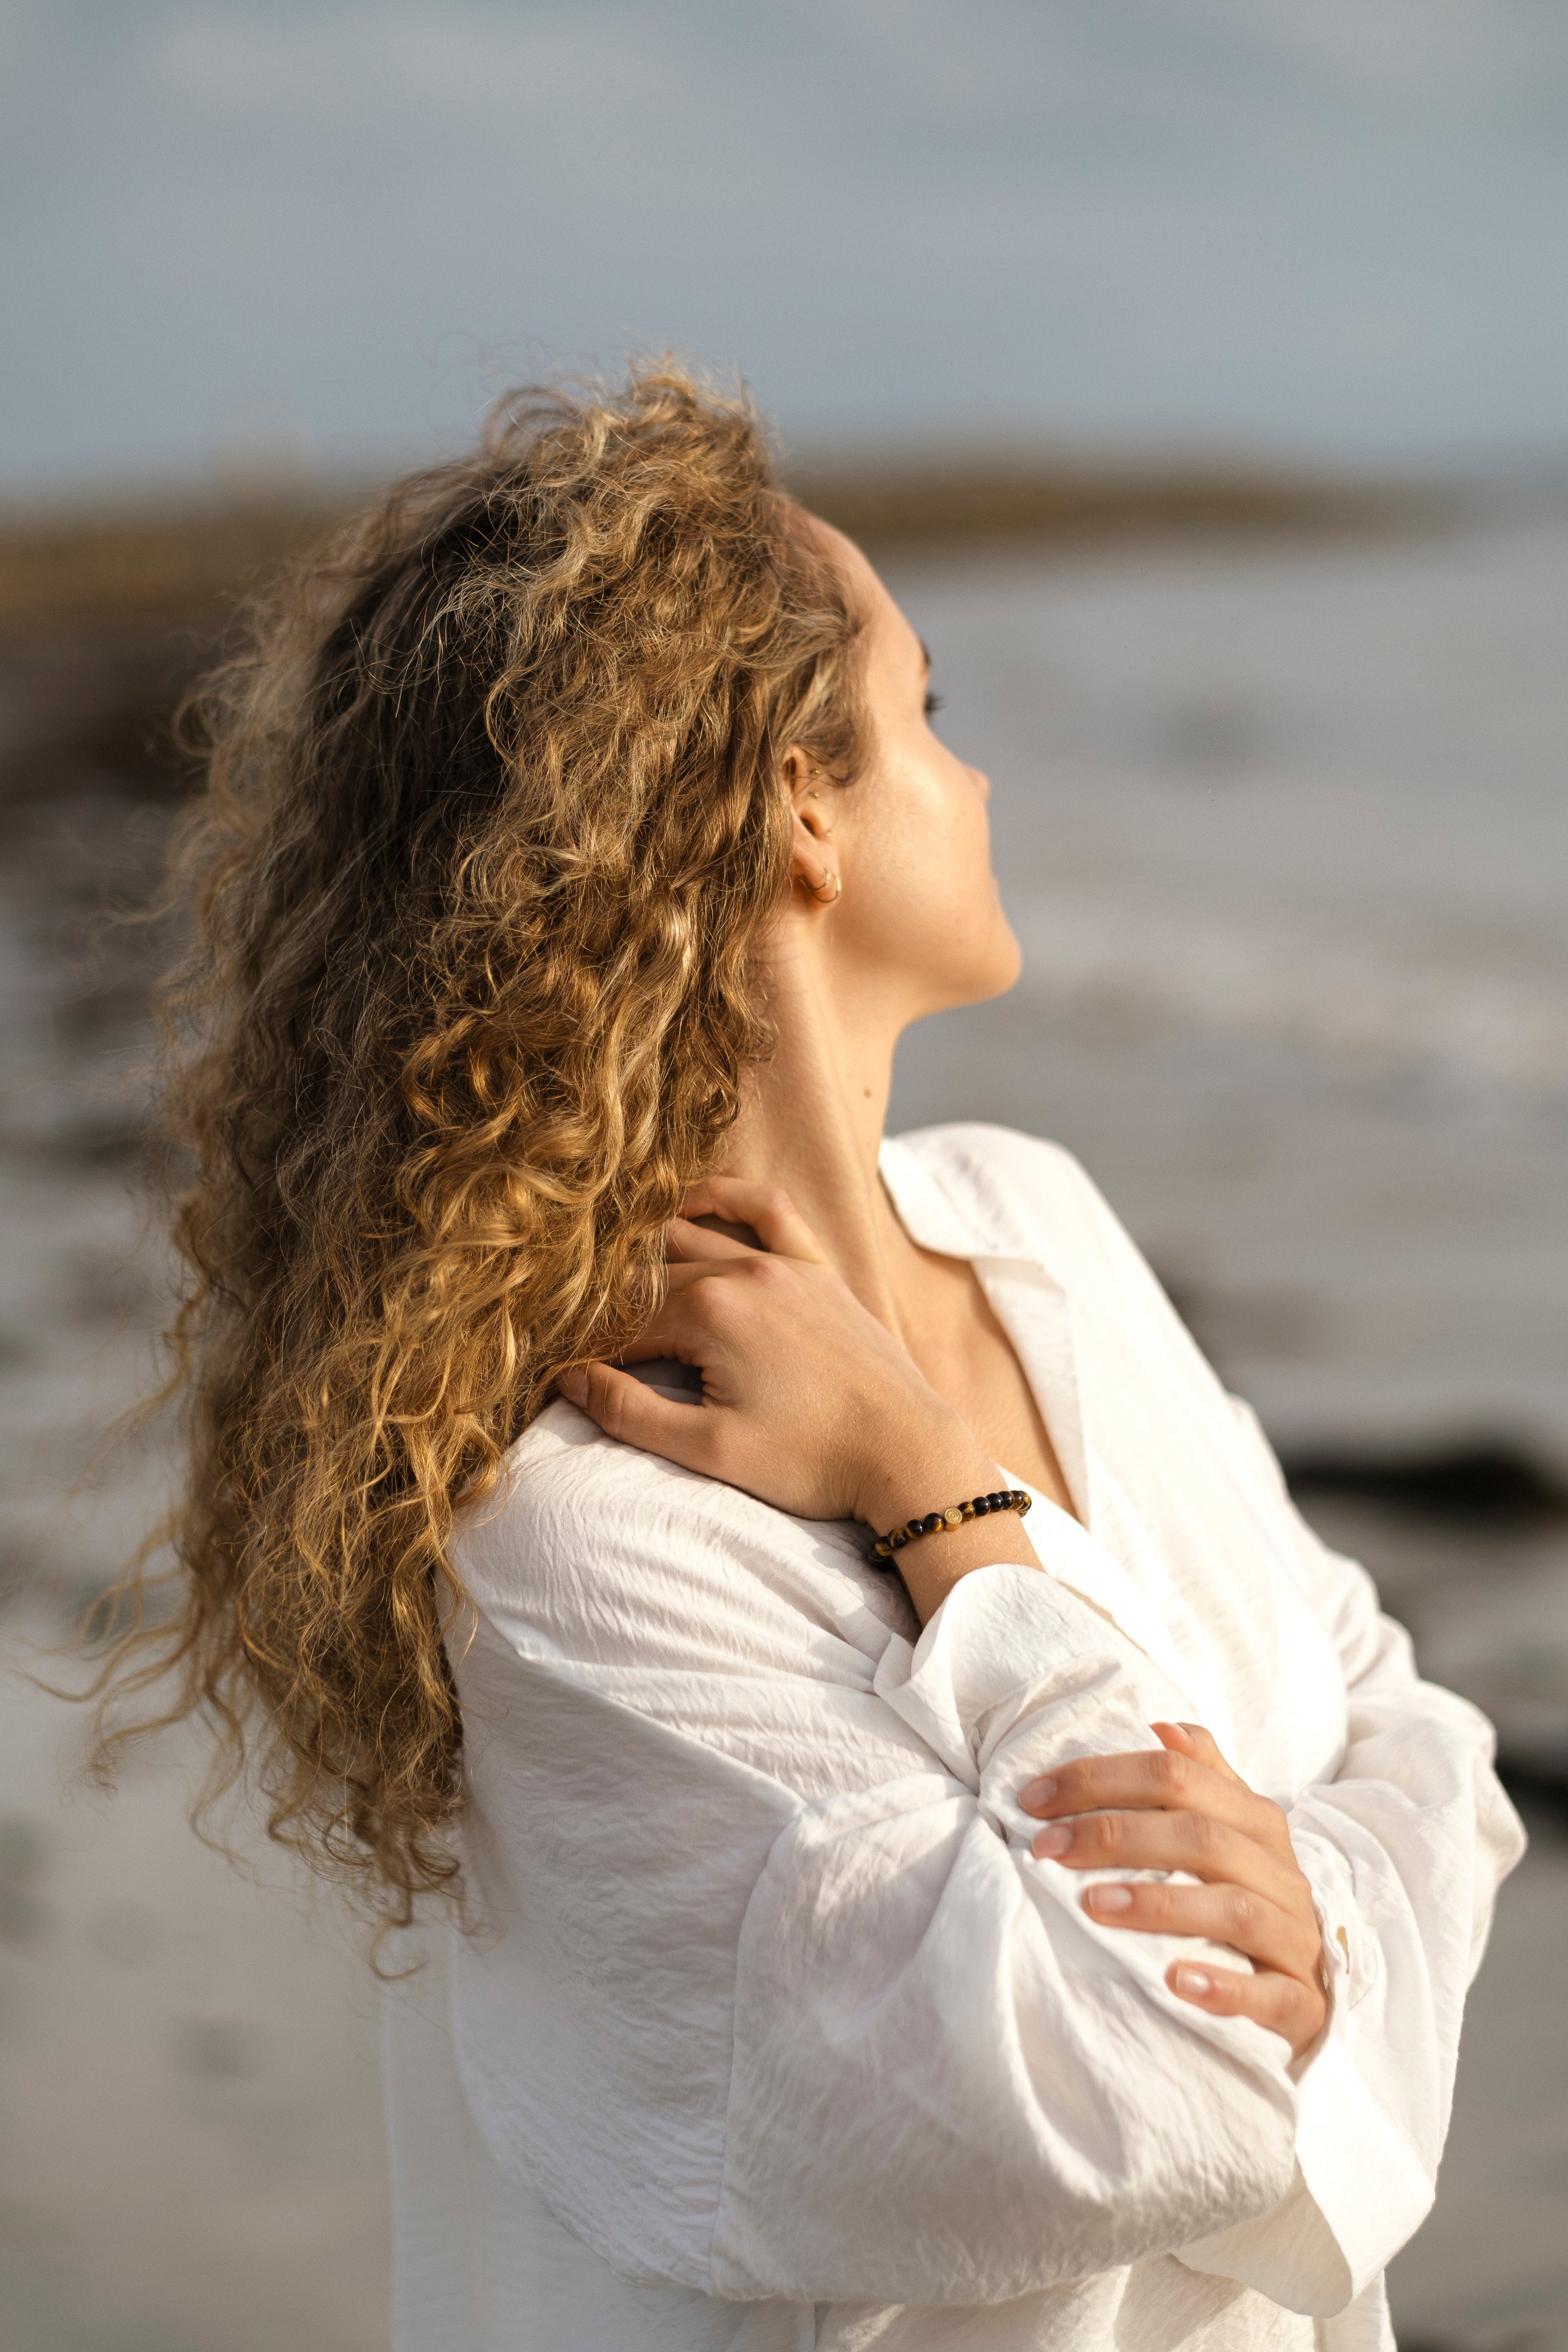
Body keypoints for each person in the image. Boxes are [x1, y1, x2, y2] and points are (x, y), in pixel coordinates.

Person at [107, 365, 1523, 2351]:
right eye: (926, 715)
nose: (980, 778)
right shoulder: (576, 1525)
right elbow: (1156, 2096)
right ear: (794, 805)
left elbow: (1424, 1748)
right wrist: (944, 1508)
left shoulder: (1032, 1224)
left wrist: (1323, 1925)